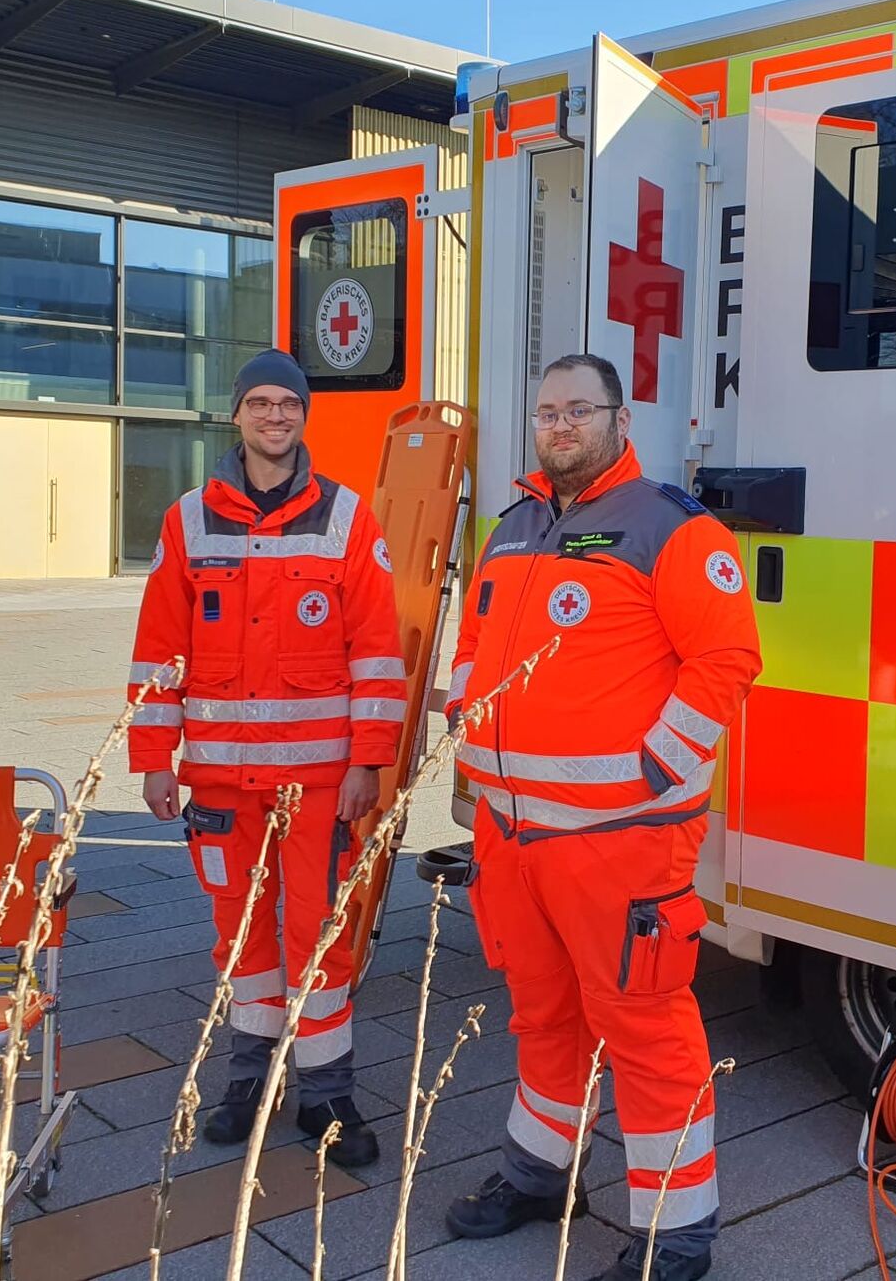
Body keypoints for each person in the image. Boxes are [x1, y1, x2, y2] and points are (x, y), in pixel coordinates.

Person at [441, 353, 762, 1281]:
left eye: (579, 409)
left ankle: (675, 1232)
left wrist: (652, 770)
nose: (560, 425)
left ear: (620, 420)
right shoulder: (512, 528)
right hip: (513, 836)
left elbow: (727, 660)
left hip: (620, 842)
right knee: (543, 1016)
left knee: (647, 1032)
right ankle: (539, 1176)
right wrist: (466, 711)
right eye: (547, 412)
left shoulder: (672, 528)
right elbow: (475, 643)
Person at [128, 348, 406, 1169]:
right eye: (260, 402)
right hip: (220, 784)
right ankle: (250, 1080)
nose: (274, 415)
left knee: (320, 936)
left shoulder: (348, 519)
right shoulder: (187, 522)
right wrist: (153, 758)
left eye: (288, 403)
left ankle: (327, 1095)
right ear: (237, 415)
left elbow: (378, 653)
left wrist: (368, 762)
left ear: (304, 416)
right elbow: (159, 651)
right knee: (241, 935)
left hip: (320, 784)